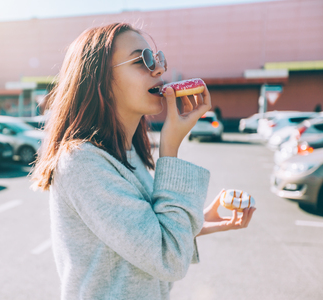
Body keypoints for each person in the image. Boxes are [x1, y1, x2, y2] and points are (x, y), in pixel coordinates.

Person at [31, 23, 256, 300]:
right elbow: (167, 257)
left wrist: (205, 219)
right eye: (142, 60)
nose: (159, 70)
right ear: (99, 80)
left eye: (157, 58)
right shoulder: (81, 162)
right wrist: (170, 147)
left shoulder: (128, 152)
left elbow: (146, 235)